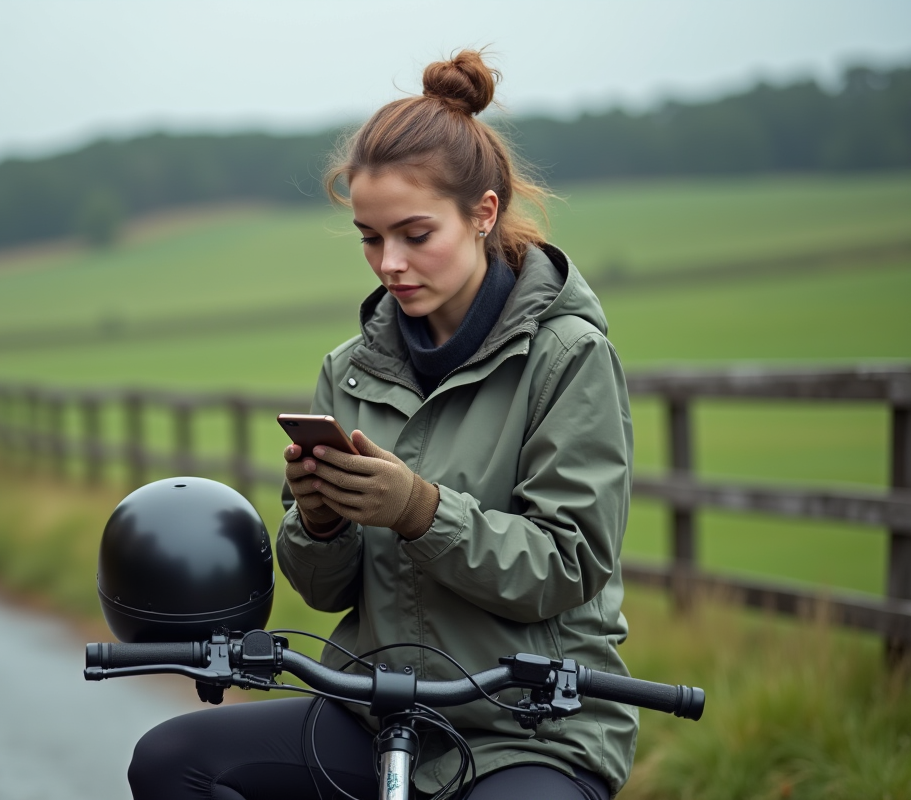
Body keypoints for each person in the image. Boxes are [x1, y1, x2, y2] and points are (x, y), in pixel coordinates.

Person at [128, 49, 636, 800]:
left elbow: (566, 565)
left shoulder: (569, 357)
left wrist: (417, 511)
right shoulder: (350, 369)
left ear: (483, 213)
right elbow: (324, 591)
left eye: (414, 234)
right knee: (174, 762)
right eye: (371, 237)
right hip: (377, 713)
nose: (389, 263)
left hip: (529, 725)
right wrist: (323, 519)